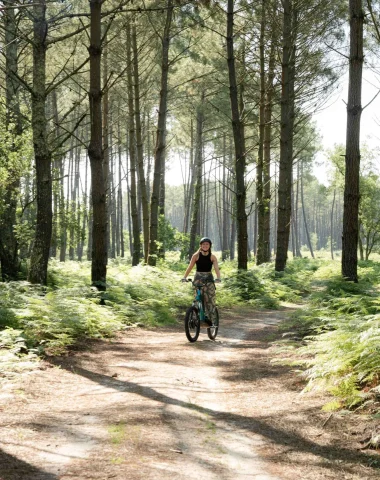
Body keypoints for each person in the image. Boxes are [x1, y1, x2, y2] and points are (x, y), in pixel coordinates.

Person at [181, 237, 221, 325]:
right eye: (203, 244)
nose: (205, 246)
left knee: (210, 299)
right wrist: (184, 277)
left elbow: (216, 268)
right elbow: (190, 267)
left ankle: (212, 321)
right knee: (197, 298)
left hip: (209, 279)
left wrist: (218, 278)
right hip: (198, 278)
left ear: (210, 246)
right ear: (200, 246)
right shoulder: (196, 256)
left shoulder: (212, 256)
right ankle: (195, 318)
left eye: (207, 244)